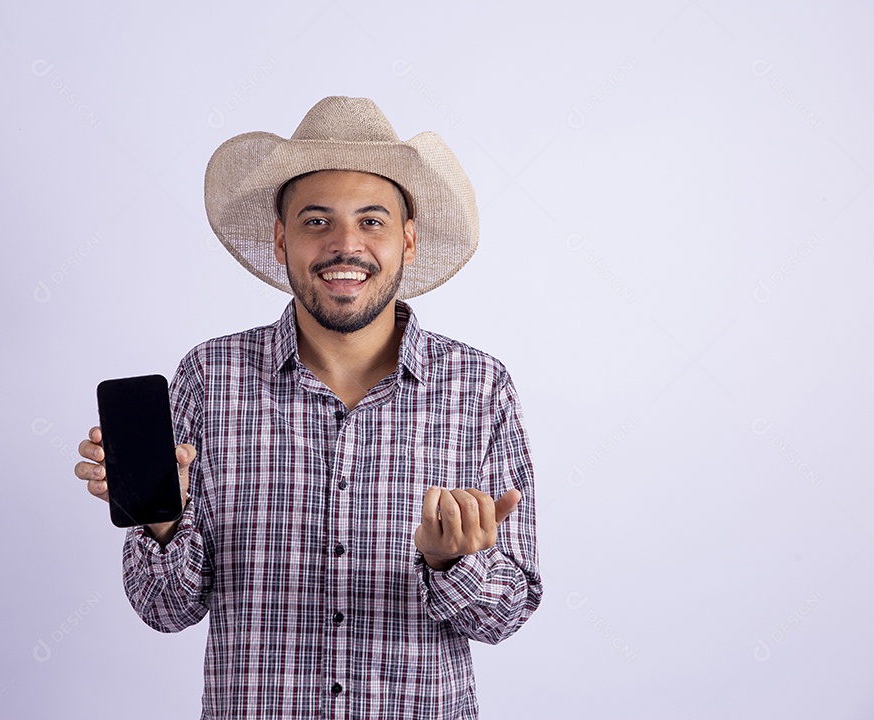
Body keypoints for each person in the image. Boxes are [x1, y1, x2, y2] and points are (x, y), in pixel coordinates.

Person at [75, 96, 542, 719]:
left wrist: (451, 562)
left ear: (408, 238)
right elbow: (166, 610)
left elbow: (505, 617)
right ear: (280, 237)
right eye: (316, 221)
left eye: (372, 221)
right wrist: (162, 519)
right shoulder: (210, 378)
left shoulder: (477, 386)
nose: (344, 245)